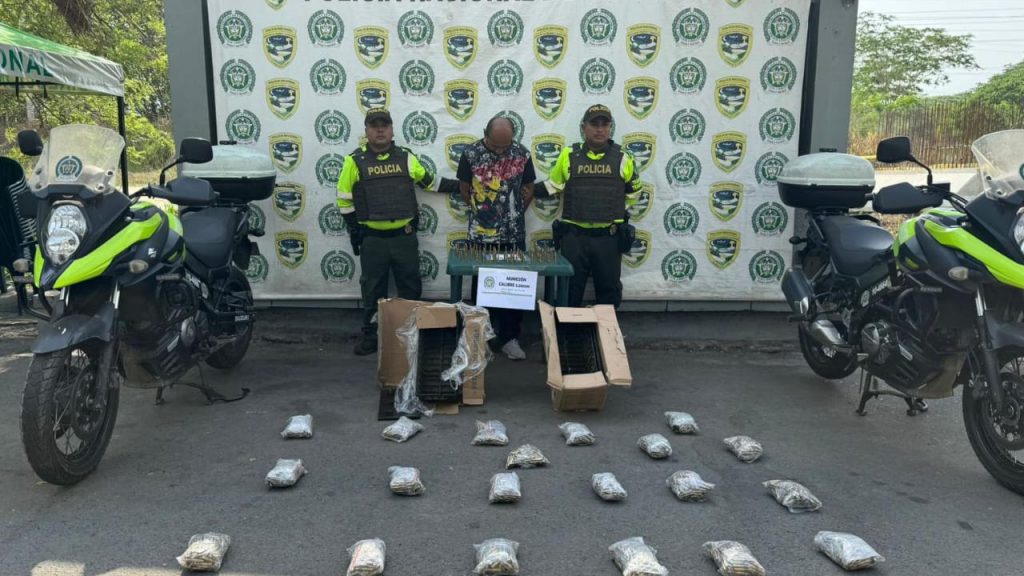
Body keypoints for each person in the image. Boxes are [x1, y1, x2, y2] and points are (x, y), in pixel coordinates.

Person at [337, 108, 459, 355]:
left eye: (384, 125)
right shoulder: (354, 160)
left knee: (410, 287)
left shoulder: (406, 157)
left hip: (404, 238)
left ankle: (414, 333)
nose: (379, 130)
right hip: (372, 239)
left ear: (392, 130)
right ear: (366, 131)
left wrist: (463, 186)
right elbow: (344, 200)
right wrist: (355, 231)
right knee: (372, 290)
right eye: (374, 126)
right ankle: (372, 336)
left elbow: (430, 182)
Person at [538, 104, 641, 308]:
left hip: (608, 239)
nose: (599, 129)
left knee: (609, 291)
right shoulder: (569, 155)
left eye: (605, 124)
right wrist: (525, 189)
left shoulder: (623, 158)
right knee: (569, 290)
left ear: (610, 128)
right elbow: (553, 186)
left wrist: (614, 211)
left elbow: (633, 193)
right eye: (594, 124)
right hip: (574, 238)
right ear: (583, 127)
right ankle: (568, 336)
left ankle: (606, 337)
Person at [456, 115, 536, 360]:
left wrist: (514, 213)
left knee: (514, 289)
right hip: (481, 235)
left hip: (513, 235)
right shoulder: (470, 154)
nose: (501, 151)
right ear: (485, 134)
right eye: (496, 146)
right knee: (483, 288)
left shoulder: (522, 154)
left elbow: (530, 186)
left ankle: (510, 338)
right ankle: (482, 340)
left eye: (506, 146)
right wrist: (483, 213)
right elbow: (464, 187)